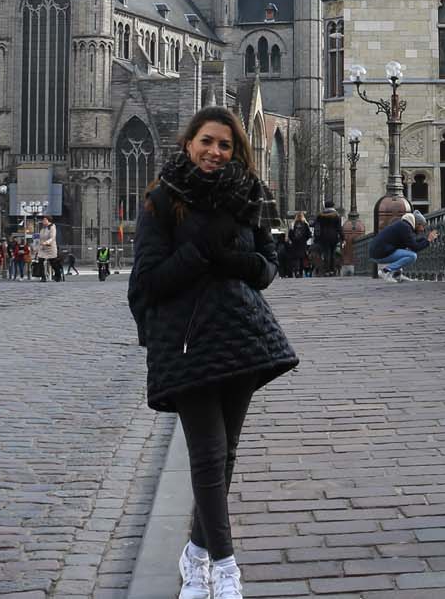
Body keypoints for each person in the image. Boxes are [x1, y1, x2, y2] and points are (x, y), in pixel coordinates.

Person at [129, 106, 297, 599]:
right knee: (206, 456)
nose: (215, 152)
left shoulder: (248, 195)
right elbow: (148, 283)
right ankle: (226, 570)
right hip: (188, 343)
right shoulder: (163, 200)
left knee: (224, 456)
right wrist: (199, 251)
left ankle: (196, 554)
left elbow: (267, 268)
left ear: (236, 151)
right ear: (189, 143)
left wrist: (230, 259)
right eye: (207, 141)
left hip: (239, 339)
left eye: (225, 145)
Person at [365, 211, 437, 282]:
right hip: (379, 253)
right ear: (417, 224)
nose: (423, 229)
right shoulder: (405, 227)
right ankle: (385, 271)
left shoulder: (403, 225)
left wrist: (425, 240)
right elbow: (415, 247)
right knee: (412, 256)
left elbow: (412, 242)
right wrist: (428, 240)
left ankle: (397, 275)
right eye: (423, 226)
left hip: (377, 253)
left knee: (405, 252)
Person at [312, 203, 344, 277]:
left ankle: (327, 270)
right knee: (333, 253)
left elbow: (316, 226)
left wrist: (316, 237)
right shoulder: (336, 216)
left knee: (326, 253)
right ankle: (332, 270)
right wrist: (342, 237)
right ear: (333, 206)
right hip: (333, 236)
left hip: (323, 237)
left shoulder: (320, 216)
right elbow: (339, 228)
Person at [282, 212, 312, 279]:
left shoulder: (293, 224)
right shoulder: (305, 224)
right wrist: (305, 239)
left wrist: (293, 240)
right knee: (301, 258)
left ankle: (297, 271)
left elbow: (290, 234)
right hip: (302, 244)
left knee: (296, 259)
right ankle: (300, 272)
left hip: (295, 244)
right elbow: (309, 234)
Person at [36, 216, 60, 282]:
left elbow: (52, 237)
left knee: (53, 263)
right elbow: (40, 238)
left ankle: (58, 276)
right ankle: (43, 277)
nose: (43, 221)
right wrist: (39, 245)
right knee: (40, 261)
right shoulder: (42, 228)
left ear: (48, 220)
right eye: (43, 220)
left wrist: (47, 242)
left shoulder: (52, 227)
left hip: (50, 247)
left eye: (44, 219)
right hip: (43, 248)